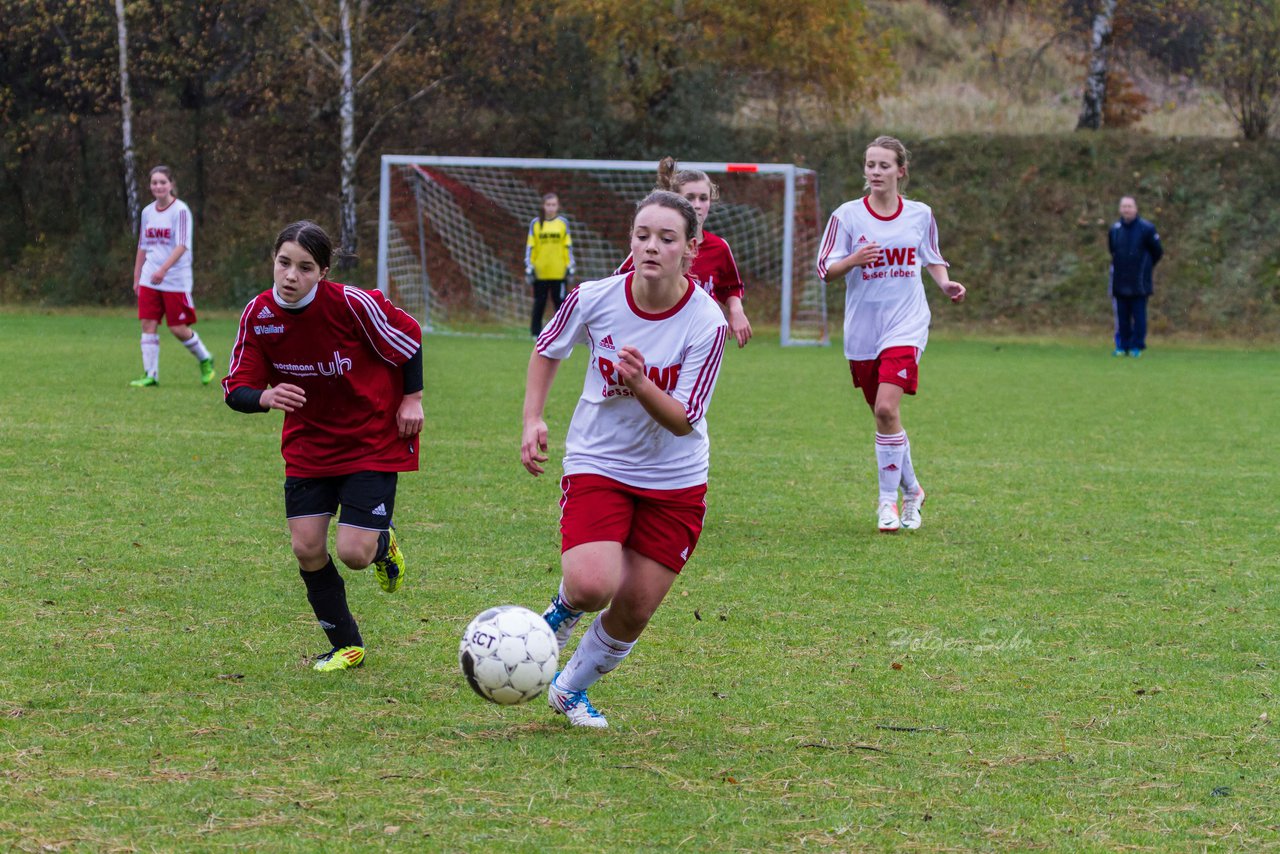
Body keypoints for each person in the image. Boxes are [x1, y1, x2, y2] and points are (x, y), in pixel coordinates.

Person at [522, 190, 729, 727]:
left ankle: (570, 689)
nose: (651, 247)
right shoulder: (596, 297)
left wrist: (638, 382)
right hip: (601, 462)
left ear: (691, 248)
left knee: (634, 607)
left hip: (676, 477)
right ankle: (565, 607)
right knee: (594, 585)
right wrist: (533, 419)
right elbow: (548, 349)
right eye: (642, 235)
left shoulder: (707, 321)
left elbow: (684, 418)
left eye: (666, 238)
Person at [223, 221, 423, 672]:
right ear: (273, 262)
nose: (291, 276)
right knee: (307, 548)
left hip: (368, 439)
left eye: (304, 267)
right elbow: (235, 388)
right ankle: (346, 645)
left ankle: (381, 542)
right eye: (283, 263)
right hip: (309, 447)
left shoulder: (353, 305)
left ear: (323, 272)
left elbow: (408, 338)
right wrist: (266, 396)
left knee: (354, 553)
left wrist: (412, 398)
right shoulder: (259, 315)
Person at [816, 136, 965, 534]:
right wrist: (853, 259)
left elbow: (931, 257)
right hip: (864, 330)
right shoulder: (847, 216)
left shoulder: (919, 214)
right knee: (887, 420)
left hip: (907, 323)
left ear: (901, 171)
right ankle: (914, 490)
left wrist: (946, 284)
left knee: (885, 409)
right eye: (870, 165)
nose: (875, 172)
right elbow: (825, 270)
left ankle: (887, 504)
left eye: (884, 165)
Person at [616, 158, 753, 348]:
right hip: (656, 335)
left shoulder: (719, 247)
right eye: (690, 198)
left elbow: (730, 287)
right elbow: (618, 285)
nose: (697, 205)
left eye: (703, 198)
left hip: (698, 336)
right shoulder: (653, 249)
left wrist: (736, 309)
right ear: (677, 200)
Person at [130, 165, 215, 387]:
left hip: (175, 278)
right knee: (147, 323)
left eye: (162, 182)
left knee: (177, 329)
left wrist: (163, 270)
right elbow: (142, 245)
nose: (158, 186)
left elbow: (182, 245)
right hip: (150, 276)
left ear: (171, 185)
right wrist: (137, 276)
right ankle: (151, 374)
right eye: (154, 182)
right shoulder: (147, 212)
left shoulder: (180, 211)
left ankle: (205, 358)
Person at [1108, 195, 1163, 357]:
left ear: (1136, 208)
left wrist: (1145, 267)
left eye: (1129, 206)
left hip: (1139, 282)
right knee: (1122, 318)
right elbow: (1112, 250)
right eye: (1124, 206)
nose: (1126, 209)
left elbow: (1157, 251)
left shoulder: (1147, 228)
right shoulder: (1115, 229)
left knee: (1139, 317)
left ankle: (1136, 346)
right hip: (1120, 281)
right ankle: (1122, 346)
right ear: (1120, 209)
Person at [525, 193, 575, 337]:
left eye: (554, 205)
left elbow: (567, 246)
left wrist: (570, 265)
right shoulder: (536, 223)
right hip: (541, 273)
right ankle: (535, 334)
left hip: (559, 273)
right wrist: (529, 266)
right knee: (539, 304)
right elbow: (531, 247)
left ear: (558, 206)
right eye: (548, 205)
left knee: (560, 305)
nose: (551, 208)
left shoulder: (562, 223)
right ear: (543, 206)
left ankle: (561, 333)